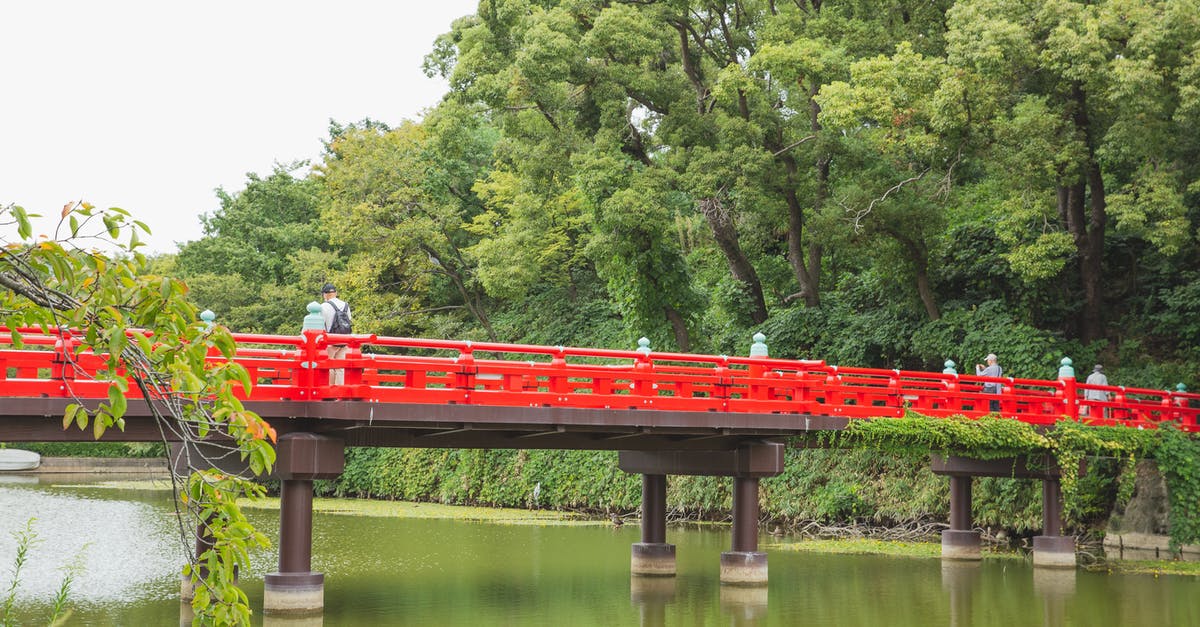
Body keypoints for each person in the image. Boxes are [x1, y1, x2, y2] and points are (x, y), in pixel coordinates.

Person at [320, 283, 352, 386]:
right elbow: (349, 321)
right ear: (336, 293)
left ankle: (330, 389)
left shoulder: (324, 306)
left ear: (325, 294)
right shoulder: (345, 305)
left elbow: (321, 325)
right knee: (340, 367)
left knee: (329, 365)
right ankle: (339, 391)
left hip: (330, 340)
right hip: (344, 340)